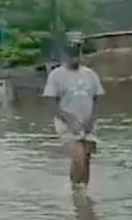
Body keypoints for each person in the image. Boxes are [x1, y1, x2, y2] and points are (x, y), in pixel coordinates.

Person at [42, 43, 105, 193]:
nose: (74, 58)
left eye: (77, 54)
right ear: (64, 56)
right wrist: (69, 119)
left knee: (86, 159)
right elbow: (50, 102)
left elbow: (99, 97)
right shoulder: (56, 75)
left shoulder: (90, 74)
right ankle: (79, 194)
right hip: (67, 123)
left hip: (88, 122)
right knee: (79, 158)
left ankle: (80, 190)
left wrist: (92, 119)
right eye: (71, 55)